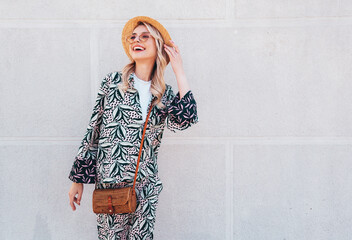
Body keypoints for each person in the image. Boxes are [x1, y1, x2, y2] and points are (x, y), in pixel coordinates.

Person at [67, 16, 199, 239]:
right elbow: (93, 131)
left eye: (145, 36)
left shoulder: (163, 93)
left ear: (157, 44)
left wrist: (179, 71)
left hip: (146, 187)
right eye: (133, 37)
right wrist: (77, 180)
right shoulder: (112, 83)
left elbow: (185, 120)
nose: (136, 40)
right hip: (110, 185)